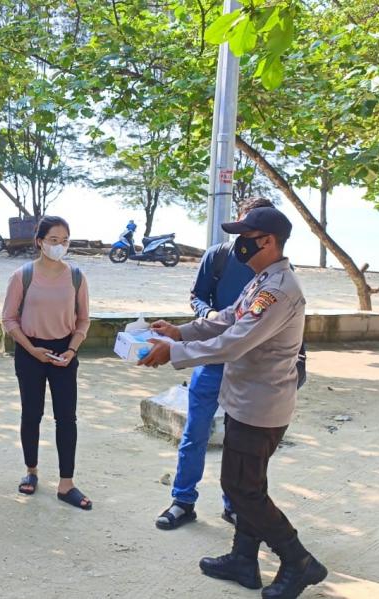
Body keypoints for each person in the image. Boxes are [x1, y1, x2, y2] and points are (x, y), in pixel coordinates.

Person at [140, 207, 327, 599]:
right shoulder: (263, 280)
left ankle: (298, 561)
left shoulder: (279, 289)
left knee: (243, 491)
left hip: (261, 408)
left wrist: (175, 352)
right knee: (247, 484)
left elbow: (235, 341)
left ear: (269, 241)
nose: (241, 242)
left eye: (248, 235)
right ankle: (244, 559)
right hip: (246, 402)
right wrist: (181, 329)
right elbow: (227, 318)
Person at [155, 197, 274, 531]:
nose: (247, 236)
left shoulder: (275, 274)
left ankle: (233, 505)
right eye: (244, 225)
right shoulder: (219, 256)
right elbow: (201, 299)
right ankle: (182, 500)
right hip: (210, 360)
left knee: (239, 441)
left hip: (249, 366)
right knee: (195, 432)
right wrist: (202, 317)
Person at [2, 216, 93, 510]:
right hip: (30, 351)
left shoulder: (77, 276)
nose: (59, 245)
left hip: (64, 352)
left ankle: (66, 483)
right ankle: (31, 471)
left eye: (65, 240)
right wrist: (31, 348)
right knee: (32, 413)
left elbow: (83, 319)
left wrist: (71, 350)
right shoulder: (22, 276)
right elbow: (9, 319)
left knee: (67, 417)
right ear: (39, 241)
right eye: (53, 240)